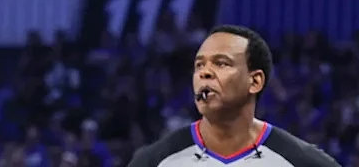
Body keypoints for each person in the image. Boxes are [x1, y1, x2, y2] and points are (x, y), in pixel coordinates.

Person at [128, 24, 339, 166]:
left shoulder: (302, 161)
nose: (205, 73)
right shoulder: (153, 161)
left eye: (221, 63)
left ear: (255, 81)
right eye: (199, 65)